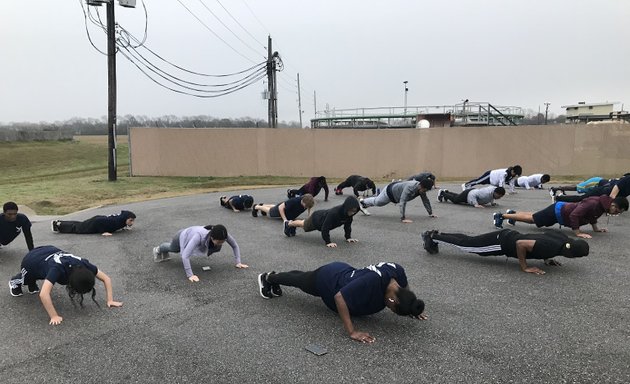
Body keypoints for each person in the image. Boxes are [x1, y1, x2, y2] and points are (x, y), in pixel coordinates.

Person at [257, 261, 427, 343]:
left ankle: (280, 276)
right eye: (393, 310)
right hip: (329, 280)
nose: (390, 310)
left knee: (303, 278)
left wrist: (411, 307)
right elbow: (339, 297)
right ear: (392, 300)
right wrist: (352, 331)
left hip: (344, 272)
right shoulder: (372, 282)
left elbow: (406, 291)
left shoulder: (398, 272)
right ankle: (269, 278)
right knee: (302, 281)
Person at [8, 245, 123, 325]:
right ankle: (15, 281)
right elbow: (44, 294)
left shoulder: (84, 264)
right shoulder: (57, 269)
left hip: (49, 250)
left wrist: (110, 300)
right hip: (31, 261)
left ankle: (32, 284)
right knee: (27, 279)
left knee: (40, 279)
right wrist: (54, 316)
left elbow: (106, 279)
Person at [421, 229, 589, 275]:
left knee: (469, 241)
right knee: (468, 246)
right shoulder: (552, 248)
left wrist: (546, 259)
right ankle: (433, 237)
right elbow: (522, 244)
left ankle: (438, 234)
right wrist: (524, 267)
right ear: (571, 253)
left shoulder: (562, 239)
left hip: (507, 234)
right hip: (502, 244)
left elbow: (544, 239)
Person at [492, 195, 628, 238]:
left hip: (560, 211)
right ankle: (501, 216)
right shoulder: (594, 203)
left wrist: (596, 229)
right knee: (533, 220)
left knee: (534, 216)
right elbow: (575, 215)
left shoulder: (601, 205)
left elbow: (592, 217)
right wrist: (578, 232)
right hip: (558, 212)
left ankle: (512, 214)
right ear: (614, 205)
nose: (615, 214)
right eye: (617, 211)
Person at [152, 224, 248, 281]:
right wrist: (190, 275)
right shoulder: (199, 236)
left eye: (222, 241)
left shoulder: (223, 234)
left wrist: (238, 262)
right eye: (219, 242)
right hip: (182, 235)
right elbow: (185, 256)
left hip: (192, 234)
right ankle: (158, 249)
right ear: (212, 237)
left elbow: (234, 245)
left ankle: (161, 250)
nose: (220, 244)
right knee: (174, 249)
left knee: (215, 247)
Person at [285, 196, 359, 247]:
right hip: (316, 219)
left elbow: (347, 226)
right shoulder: (334, 213)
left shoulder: (349, 216)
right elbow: (325, 228)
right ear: (346, 208)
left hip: (322, 218)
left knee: (303, 224)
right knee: (304, 225)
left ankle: (292, 225)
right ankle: (289, 223)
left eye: (354, 211)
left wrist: (348, 237)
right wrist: (328, 242)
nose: (352, 213)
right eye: (351, 211)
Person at [359, 179, 435, 223]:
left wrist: (430, 213)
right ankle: (363, 202)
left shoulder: (421, 190)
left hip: (395, 195)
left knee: (377, 202)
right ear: (421, 186)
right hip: (389, 192)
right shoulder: (410, 187)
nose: (425, 192)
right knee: (377, 202)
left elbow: (426, 201)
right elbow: (402, 201)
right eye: (425, 190)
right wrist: (403, 218)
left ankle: (364, 205)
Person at [51, 210, 136, 236]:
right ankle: (58, 225)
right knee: (79, 229)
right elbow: (100, 221)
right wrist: (103, 232)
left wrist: (125, 226)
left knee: (80, 224)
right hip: (96, 222)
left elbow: (124, 214)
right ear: (126, 218)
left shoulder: (122, 219)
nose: (132, 222)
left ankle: (60, 223)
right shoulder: (116, 221)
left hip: (98, 219)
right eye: (131, 220)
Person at [554, 174, 630, 203]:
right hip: (596, 182)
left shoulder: (623, 183)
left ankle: (559, 196)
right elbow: (616, 188)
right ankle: (556, 189)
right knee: (578, 188)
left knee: (583, 197)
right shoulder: (625, 180)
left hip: (602, 187)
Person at [437, 186, 505, 208]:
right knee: (455, 200)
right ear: (496, 193)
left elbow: (492, 197)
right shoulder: (485, 193)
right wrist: (475, 204)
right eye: (499, 196)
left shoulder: (494, 191)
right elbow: (473, 195)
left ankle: (447, 193)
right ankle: (442, 193)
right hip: (469, 194)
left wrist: (492, 203)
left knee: (457, 196)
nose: (499, 198)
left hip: (471, 191)